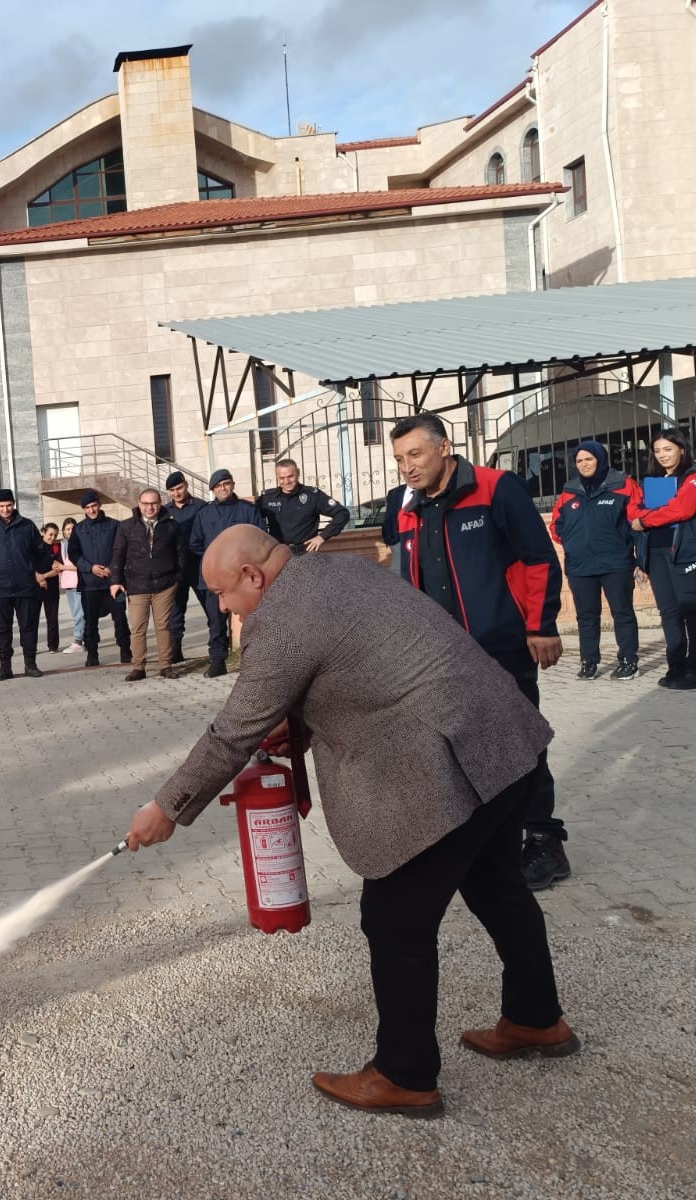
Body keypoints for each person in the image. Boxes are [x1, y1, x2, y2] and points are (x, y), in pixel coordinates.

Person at [124, 526, 576, 1119]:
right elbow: (364, 661)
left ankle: (405, 1074)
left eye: (223, 594)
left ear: (254, 577)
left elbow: (232, 733)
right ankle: (536, 1019)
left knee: (395, 921)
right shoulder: (340, 569)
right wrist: (304, 727)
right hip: (501, 738)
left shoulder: (282, 620)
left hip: (446, 762)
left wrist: (167, 809)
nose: (224, 608)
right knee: (496, 884)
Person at [390, 414, 569, 892]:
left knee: (522, 743)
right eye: (400, 459)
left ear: (444, 447)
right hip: (440, 659)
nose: (407, 467)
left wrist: (541, 624)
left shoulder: (496, 488)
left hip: (501, 646)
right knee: (456, 747)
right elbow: (405, 582)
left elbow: (538, 558)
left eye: (416, 454)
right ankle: (484, 841)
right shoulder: (410, 508)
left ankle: (545, 843)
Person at [629, 427, 696, 690]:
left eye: (668, 449)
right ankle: (676, 667)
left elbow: (682, 508)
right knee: (669, 613)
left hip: (687, 552)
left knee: (692, 610)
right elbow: (633, 509)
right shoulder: (653, 482)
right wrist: (641, 519)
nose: (662, 455)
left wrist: (645, 520)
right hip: (656, 552)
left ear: (682, 449)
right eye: (657, 450)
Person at [550, 440, 641, 681]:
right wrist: (571, 543)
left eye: (588, 459)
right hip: (580, 566)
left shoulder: (623, 484)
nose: (584, 464)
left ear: (600, 459)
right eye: (579, 460)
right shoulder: (570, 489)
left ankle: (628, 660)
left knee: (622, 612)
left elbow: (638, 521)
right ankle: (589, 661)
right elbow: (556, 525)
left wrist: (636, 554)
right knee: (586, 616)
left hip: (616, 563)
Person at [189, 469, 268, 677]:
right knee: (215, 621)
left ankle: (255, 660)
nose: (222, 488)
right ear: (213, 490)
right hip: (215, 578)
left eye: (226, 484)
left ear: (232, 485)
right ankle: (217, 661)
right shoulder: (204, 514)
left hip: (243, 576)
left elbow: (260, 536)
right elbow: (195, 543)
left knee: (252, 619)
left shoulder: (247, 510)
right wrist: (216, 557)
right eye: (218, 486)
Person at [0, 488, 54, 681]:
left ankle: (30, 665)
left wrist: (31, 568)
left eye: (9, 505)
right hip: (0, 588)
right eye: (1, 506)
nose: (6, 509)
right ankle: (5, 668)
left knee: (28, 626)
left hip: (25, 586)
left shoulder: (27, 526)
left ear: (14, 504)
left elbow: (40, 551)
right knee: (3, 628)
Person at [109, 489, 183, 681]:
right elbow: (118, 554)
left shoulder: (172, 526)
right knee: (138, 628)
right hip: (137, 584)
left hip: (165, 584)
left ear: (160, 503)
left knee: (163, 626)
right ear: (139, 504)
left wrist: (177, 577)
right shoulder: (126, 526)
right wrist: (115, 581)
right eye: (146, 503)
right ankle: (138, 667)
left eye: (154, 503)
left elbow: (181, 553)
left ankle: (165, 665)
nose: (150, 507)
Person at [67, 491, 131, 668]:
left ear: (99, 504)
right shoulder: (78, 530)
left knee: (120, 619)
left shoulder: (114, 525)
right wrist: (90, 568)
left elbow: (121, 549)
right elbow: (73, 553)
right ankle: (92, 654)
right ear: (84, 509)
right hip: (89, 583)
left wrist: (112, 567)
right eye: (87, 507)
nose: (91, 510)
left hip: (113, 582)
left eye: (94, 506)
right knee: (90, 622)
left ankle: (126, 650)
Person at [163, 470, 209, 664]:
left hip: (198, 565)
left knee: (210, 606)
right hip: (176, 569)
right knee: (176, 611)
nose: (177, 493)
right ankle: (176, 652)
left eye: (179, 488)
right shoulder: (164, 512)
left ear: (186, 485)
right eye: (172, 490)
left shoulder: (201, 506)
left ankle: (220, 645)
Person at [257, 459, 350, 553]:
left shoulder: (312, 495)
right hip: (279, 553)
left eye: (290, 476)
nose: (286, 481)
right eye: (282, 478)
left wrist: (322, 537)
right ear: (277, 477)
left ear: (298, 473)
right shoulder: (268, 498)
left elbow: (342, 514)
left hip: (306, 553)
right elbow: (251, 518)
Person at [35, 523, 63, 655]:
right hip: (35, 586)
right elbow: (29, 564)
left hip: (51, 586)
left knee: (52, 618)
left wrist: (44, 577)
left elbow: (58, 568)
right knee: (32, 619)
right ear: (44, 532)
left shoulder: (57, 547)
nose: (52, 537)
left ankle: (53, 645)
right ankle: (31, 646)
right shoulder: (35, 546)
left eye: (55, 535)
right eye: (50, 534)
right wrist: (38, 578)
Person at [56, 517, 84, 654]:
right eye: (67, 529)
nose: (70, 531)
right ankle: (84, 639)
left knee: (80, 613)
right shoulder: (62, 545)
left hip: (79, 582)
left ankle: (78, 640)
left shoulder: (81, 544)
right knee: (75, 614)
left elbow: (81, 566)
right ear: (63, 531)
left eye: (72, 528)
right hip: (68, 584)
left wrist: (63, 567)